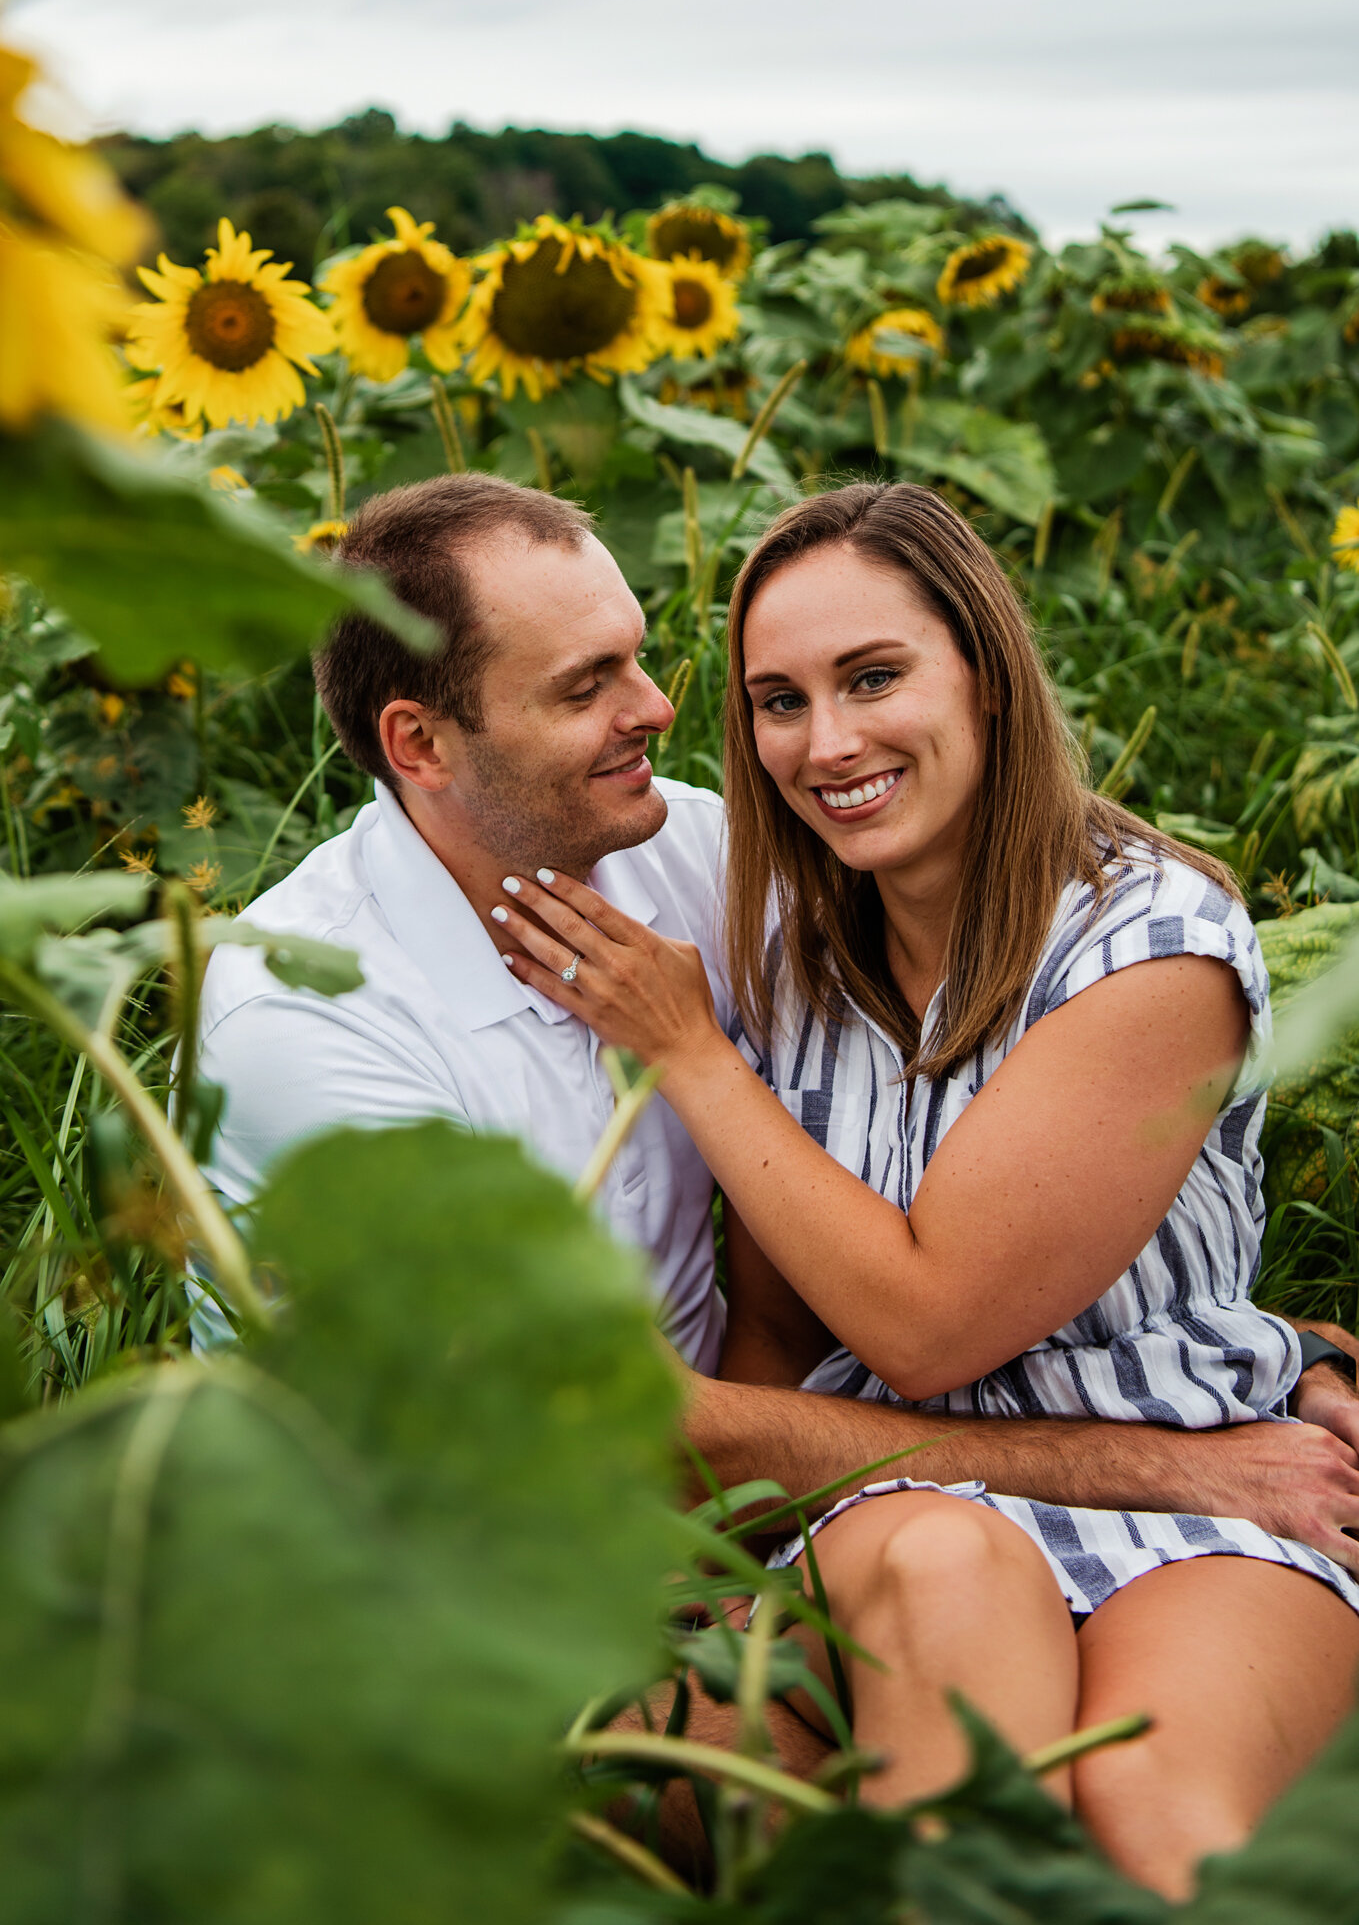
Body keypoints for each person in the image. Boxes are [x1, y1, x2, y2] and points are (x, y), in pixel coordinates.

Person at [197, 470, 1359, 1589]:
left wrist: (1249, 1356)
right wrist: (1162, 1463)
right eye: (584, 684)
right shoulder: (307, 1023)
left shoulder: (682, 857)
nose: (656, 706)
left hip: (737, 1515)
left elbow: (1024, 975)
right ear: (422, 745)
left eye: (638, 655)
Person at [486, 479, 1359, 1898]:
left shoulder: (1147, 949)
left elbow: (932, 1326)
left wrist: (689, 1055)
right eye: (778, 700)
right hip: (891, 1506)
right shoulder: (789, 965)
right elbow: (780, 1326)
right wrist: (719, 1556)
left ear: (988, 678)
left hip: (1213, 1496)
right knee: (952, 1755)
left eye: (872, 677)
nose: (825, 744)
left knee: (1154, 1830)